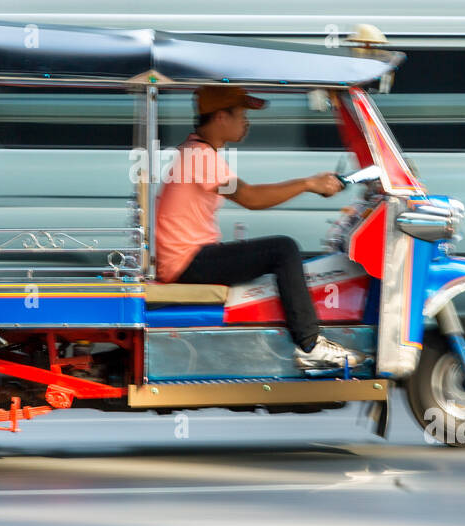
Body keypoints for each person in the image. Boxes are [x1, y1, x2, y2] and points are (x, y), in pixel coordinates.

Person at [154, 85, 366, 370]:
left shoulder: (198, 153)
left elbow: (246, 194)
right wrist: (308, 184)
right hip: (187, 262)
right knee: (283, 249)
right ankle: (310, 344)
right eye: (241, 115)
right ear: (220, 117)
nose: (246, 122)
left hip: (190, 256)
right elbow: (250, 197)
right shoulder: (199, 157)